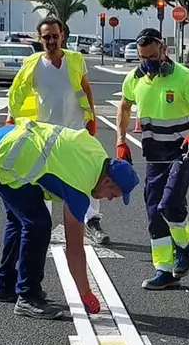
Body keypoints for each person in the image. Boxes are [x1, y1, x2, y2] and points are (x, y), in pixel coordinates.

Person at [0, 118, 140, 319]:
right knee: (38, 224)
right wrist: (86, 293)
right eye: (113, 194)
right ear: (107, 180)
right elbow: (74, 249)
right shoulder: (79, 187)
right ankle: (28, 297)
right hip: (2, 158)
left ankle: (4, 285)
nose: (109, 199)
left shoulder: (98, 153)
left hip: (2, 143)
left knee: (20, 219)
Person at [115, 28, 189, 290]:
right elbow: (124, 107)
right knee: (153, 212)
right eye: (143, 58)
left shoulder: (184, 78)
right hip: (153, 155)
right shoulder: (134, 79)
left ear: (163, 49)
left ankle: (184, 245)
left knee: (170, 205)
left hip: (182, 152)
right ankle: (164, 270)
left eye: (152, 55)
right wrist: (120, 139)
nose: (148, 62)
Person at [7, 17, 112, 245]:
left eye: (55, 35)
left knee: (87, 176)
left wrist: (91, 117)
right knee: (41, 178)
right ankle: (39, 224)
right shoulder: (32, 65)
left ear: (62, 35)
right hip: (45, 135)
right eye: (47, 37)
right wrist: (11, 121)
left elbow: (86, 88)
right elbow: (17, 93)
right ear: (40, 39)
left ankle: (92, 222)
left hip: (75, 132)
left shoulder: (75, 59)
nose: (52, 40)